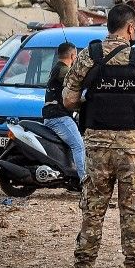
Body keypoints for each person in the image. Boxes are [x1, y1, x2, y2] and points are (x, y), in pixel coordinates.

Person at [62, 3, 135, 268]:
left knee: (92, 213)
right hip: (132, 151)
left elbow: (68, 100)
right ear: (131, 28)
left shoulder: (87, 57)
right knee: (132, 215)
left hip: (96, 148)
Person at [42, 42, 86, 184]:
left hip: (54, 115)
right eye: (76, 55)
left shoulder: (57, 68)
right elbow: (76, 83)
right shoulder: (63, 71)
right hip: (58, 117)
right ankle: (85, 181)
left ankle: (71, 174)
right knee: (78, 145)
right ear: (73, 55)